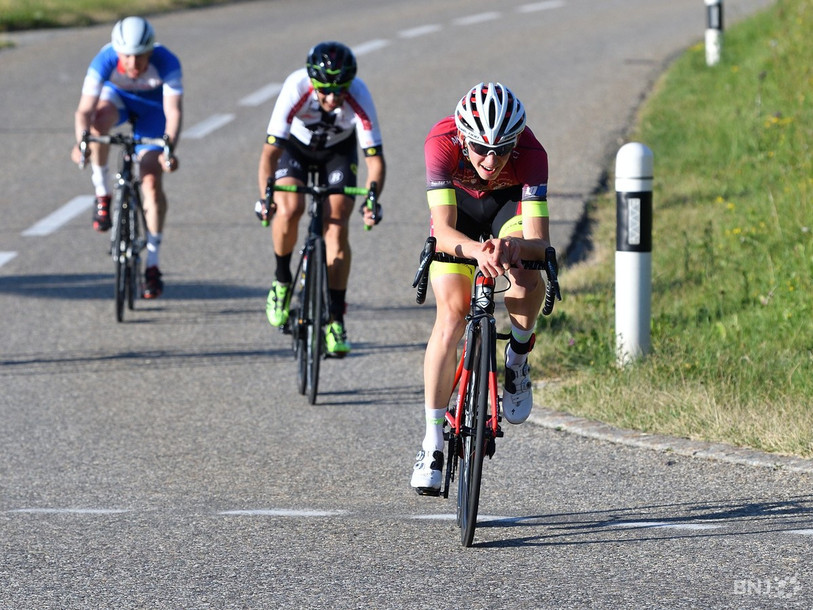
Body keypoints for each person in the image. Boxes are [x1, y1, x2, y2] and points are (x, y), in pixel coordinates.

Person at [410, 82, 552, 495]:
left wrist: (512, 247)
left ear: (516, 141)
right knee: (452, 314)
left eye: (503, 149)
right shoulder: (441, 142)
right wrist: (475, 250)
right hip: (460, 212)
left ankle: (517, 358)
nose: (491, 160)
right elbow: (443, 232)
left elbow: (540, 243)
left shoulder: (532, 153)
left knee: (526, 274)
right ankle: (432, 442)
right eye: (480, 149)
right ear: (462, 137)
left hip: (508, 206)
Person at [257, 41, 386, 356]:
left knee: (336, 223)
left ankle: (336, 320)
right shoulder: (295, 87)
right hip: (296, 149)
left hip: (337, 153)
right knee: (290, 208)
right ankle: (282, 281)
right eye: (325, 90)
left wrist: (371, 201)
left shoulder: (359, 94)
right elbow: (270, 154)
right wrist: (266, 197)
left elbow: (375, 161)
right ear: (313, 82)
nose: (332, 98)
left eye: (340, 90)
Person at [71, 16, 183, 299]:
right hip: (118, 100)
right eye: (126, 56)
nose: (133, 64)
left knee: (150, 182)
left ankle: (152, 264)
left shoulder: (167, 61)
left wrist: (169, 150)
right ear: (117, 51)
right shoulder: (104, 59)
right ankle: (102, 194)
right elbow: (84, 111)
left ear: (151, 50)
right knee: (98, 125)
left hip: (153, 111)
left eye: (140, 56)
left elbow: (173, 112)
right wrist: (81, 142)